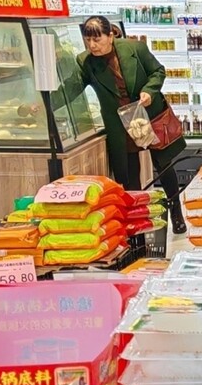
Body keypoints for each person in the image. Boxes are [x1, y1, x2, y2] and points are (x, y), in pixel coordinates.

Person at [66, 14, 188, 234]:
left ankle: (176, 212)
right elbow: (71, 89)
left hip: (149, 115)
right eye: (88, 40)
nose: (93, 45)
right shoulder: (86, 62)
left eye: (98, 39)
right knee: (129, 173)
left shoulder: (135, 49)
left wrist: (149, 92)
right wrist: (43, 103)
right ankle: (137, 225)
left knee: (164, 164)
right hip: (120, 124)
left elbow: (158, 71)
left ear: (110, 35)